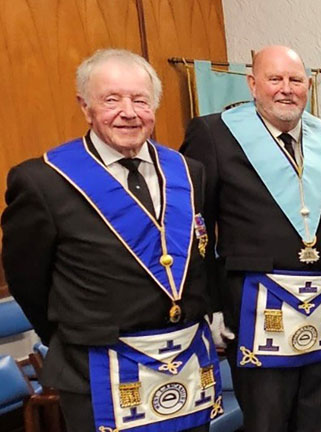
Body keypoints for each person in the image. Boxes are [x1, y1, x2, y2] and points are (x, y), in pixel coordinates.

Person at [3, 48, 220, 432]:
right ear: (85, 106)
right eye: (111, 99)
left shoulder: (189, 171)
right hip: (98, 367)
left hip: (184, 360)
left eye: (140, 99)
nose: (129, 112)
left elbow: (197, 259)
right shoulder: (43, 180)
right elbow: (27, 279)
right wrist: (75, 332)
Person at [181, 45, 321, 432]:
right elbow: (195, 227)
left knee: (319, 416)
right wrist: (208, 303)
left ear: (308, 85)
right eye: (274, 79)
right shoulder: (214, 133)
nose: (286, 89)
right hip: (254, 304)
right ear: (252, 83)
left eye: (295, 80)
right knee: (268, 419)